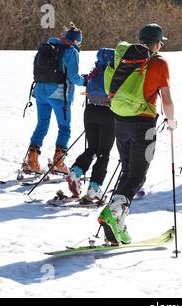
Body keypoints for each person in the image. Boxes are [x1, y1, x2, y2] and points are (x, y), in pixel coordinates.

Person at [97, 23, 176, 244]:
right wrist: (171, 121)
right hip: (144, 123)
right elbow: (167, 99)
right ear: (158, 43)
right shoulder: (159, 62)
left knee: (128, 171)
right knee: (138, 174)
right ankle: (113, 213)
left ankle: (118, 225)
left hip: (119, 119)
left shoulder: (123, 56)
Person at [22, 23, 86, 176]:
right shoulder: (71, 52)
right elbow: (73, 77)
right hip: (59, 95)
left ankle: (32, 160)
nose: (79, 45)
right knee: (64, 128)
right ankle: (59, 162)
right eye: (80, 42)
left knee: (42, 124)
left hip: (40, 92)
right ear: (76, 40)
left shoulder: (48, 46)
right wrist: (87, 81)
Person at [66, 48, 116, 200]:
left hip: (90, 112)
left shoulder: (95, 70)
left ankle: (76, 171)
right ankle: (94, 187)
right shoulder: (113, 71)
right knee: (104, 152)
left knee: (93, 148)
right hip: (108, 113)